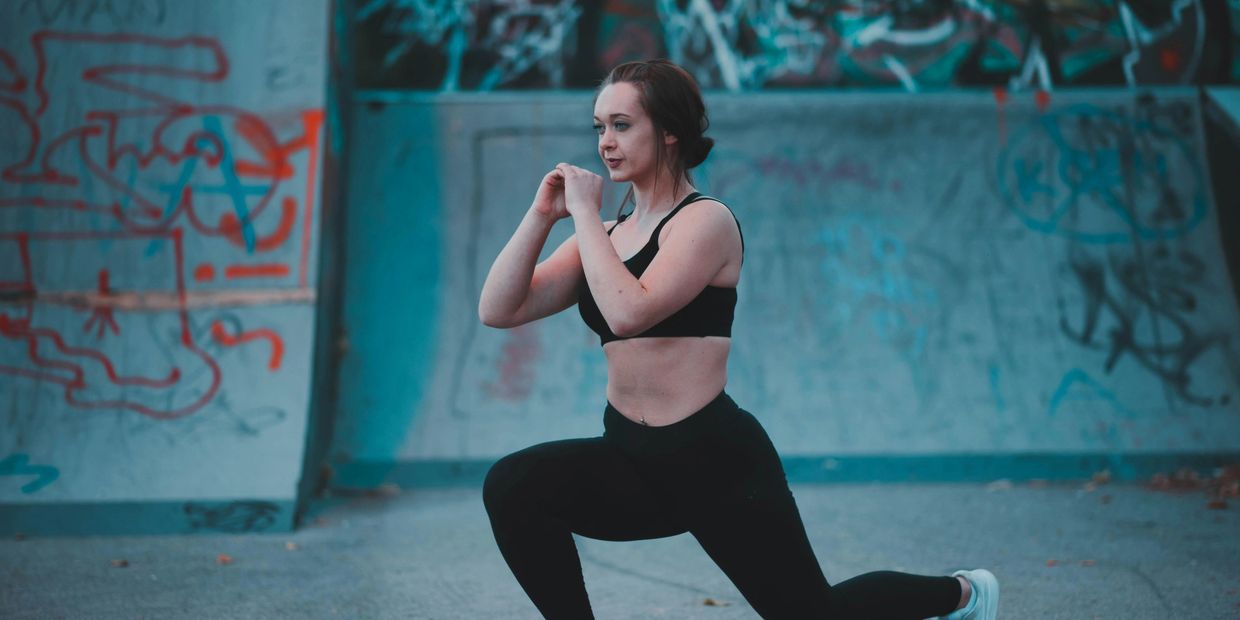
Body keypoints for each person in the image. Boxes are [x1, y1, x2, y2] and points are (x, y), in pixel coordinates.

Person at [477, 58, 999, 620]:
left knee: (810, 613)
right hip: (630, 456)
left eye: (622, 125)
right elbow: (499, 309)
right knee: (514, 486)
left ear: (670, 130)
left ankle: (963, 594)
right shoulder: (601, 237)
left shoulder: (705, 222)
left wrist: (582, 213)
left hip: (714, 462)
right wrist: (541, 214)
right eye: (599, 126)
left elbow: (631, 313)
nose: (605, 142)